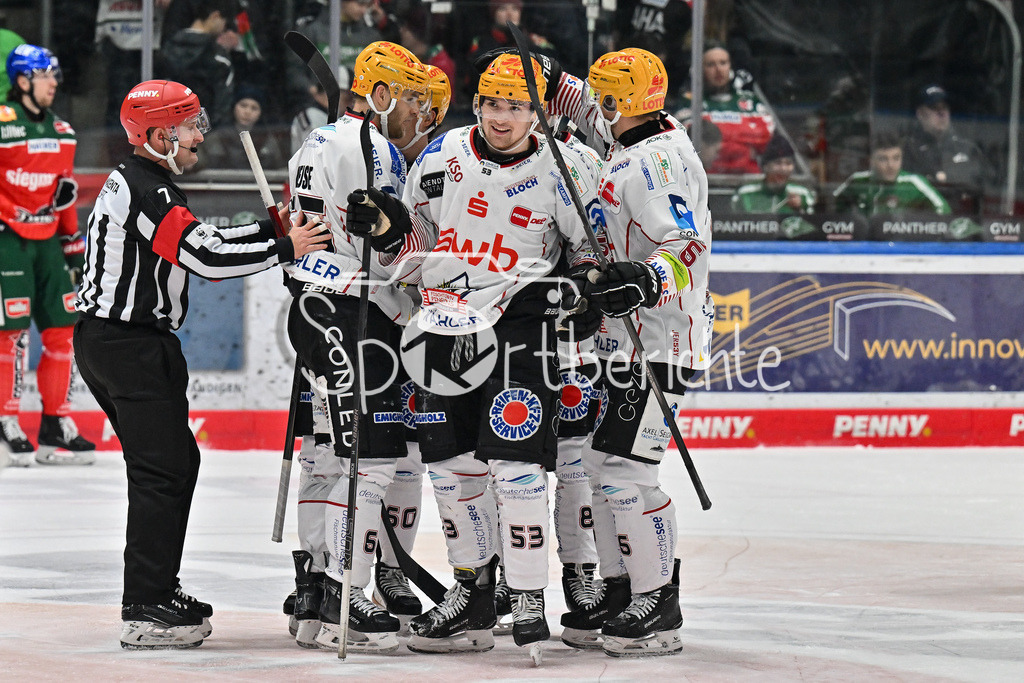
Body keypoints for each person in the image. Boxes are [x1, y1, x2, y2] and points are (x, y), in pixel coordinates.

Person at [356, 53, 600, 655]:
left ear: (538, 113)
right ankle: (473, 592)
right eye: (494, 104)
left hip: (520, 326)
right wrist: (389, 232)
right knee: (450, 469)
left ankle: (527, 596)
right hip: (440, 328)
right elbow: (411, 244)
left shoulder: (568, 168)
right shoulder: (439, 158)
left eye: (517, 106)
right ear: (477, 103)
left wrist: (586, 293)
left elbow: (590, 252)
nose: (503, 117)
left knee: (517, 470)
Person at [73, 79, 328, 650]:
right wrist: (287, 247)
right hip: (128, 345)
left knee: (174, 463)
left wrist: (271, 229)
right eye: (188, 126)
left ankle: (159, 587)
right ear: (158, 134)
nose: (198, 136)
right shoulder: (148, 189)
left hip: (123, 343)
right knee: (162, 471)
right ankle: (144, 604)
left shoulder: (146, 181)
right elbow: (205, 255)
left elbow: (203, 238)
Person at [548, 47, 715, 657]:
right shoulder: (635, 135)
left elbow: (687, 244)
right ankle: (622, 589)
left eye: (604, 94)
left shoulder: (658, 162)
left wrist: (647, 279)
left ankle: (657, 601)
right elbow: (577, 106)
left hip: (662, 336)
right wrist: (540, 72)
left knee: (625, 470)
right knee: (600, 468)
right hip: (626, 336)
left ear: (624, 101)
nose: (595, 104)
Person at [282, 40, 428, 654]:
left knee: (326, 454)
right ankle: (349, 589)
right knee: (365, 457)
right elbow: (385, 245)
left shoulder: (314, 142)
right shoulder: (374, 149)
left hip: (314, 309)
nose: (419, 113)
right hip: (354, 312)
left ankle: (314, 585)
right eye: (412, 99)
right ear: (383, 94)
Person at [0, 45, 95, 468]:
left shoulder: (63, 131)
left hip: (48, 243)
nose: (54, 83)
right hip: (7, 240)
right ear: (22, 81)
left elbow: (64, 195)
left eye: (55, 75)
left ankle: (56, 422)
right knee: (11, 333)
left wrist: (74, 248)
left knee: (63, 330)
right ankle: (8, 420)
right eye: (45, 75)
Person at [677, 43, 775, 174]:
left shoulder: (750, 100)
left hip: (749, 178)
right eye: (711, 64)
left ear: (730, 67)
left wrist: (719, 137)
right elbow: (694, 141)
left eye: (723, 63)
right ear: (700, 70)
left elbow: (766, 138)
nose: (718, 69)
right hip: (705, 181)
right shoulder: (690, 102)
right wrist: (743, 142)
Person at [902, 84, 985, 213]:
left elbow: (978, 188)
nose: (942, 113)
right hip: (920, 220)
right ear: (920, 114)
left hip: (962, 219)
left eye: (945, 108)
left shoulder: (968, 149)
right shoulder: (908, 149)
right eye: (934, 108)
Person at [158, 0, 238, 128]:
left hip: (169, 131)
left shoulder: (166, 51)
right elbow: (223, 106)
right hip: (205, 137)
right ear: (215, 16)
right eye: (224, 22)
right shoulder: (218, 58)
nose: (223, 28)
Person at [834, 131, 950, 216]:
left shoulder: (914, 183)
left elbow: (944, 211)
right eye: (883, 159)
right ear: (871, 161)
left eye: (896, 158)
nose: (891, 165)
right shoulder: (857, 180)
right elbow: (832, 205)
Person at [201, 84, 285, 170]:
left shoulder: (268, 140)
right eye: (243, 105)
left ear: (260, 113)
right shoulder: (216, 137)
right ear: (234, 107)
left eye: (254, 108)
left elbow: (278, 169)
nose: (247, 112)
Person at [730, 135, 816, 214]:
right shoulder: (745, 193)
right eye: (778, 163)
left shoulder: (803, 194)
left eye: (788, 163)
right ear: (765, 167)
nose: (783, 169)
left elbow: (816, 226)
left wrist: (799, 209)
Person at [289, 65, 352, 155]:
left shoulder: (331, 115)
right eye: (348, 98)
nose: (350, 104)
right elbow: (317, 158)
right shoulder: (311, 116)